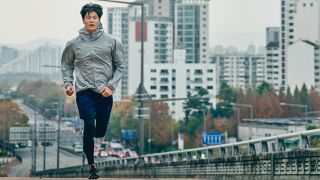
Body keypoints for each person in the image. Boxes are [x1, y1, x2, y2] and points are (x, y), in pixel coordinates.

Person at [61, 3, 125, 179]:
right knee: (89, 124)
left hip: (105, 92)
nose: (91, 20)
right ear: (83, 19)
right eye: (88, 17)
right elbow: (66, 65)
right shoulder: (73, 44)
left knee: (100, 131)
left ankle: (94, 133)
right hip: (84, 91)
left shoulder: (112, 41)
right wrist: (68, 84)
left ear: (99, 19)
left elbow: (121, 66)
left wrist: (111, 86)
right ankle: (92, 167)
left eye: (94, 17)